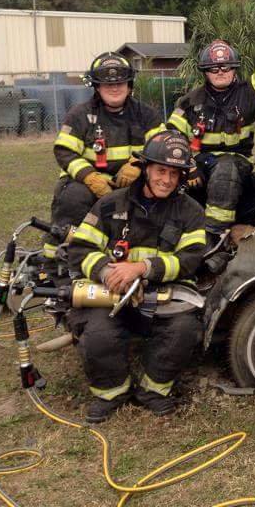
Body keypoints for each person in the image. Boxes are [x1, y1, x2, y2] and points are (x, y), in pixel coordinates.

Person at [67, 131, 207, 423]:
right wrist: (107, 272)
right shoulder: (110, 205)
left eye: (174, 174)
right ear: (146, 169)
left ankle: (153, 391)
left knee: (183, 330)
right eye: (160, 171)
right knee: (97, 334)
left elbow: (190, 259)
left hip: (163, 295)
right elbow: (81, 249)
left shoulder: (191, 212)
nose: (166, 180)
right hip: (112, 294)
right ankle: (111, 392)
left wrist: (142, 269)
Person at [46, 52, 162, 271]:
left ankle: (135, 257)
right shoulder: (79, 115)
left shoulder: (147, 115)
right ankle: (57, 260)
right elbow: (64, 151)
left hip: (131, 183)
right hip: (87, 182)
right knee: (73, 197)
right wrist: (89, 177)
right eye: (107, 84)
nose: (114, 88)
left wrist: (138, 164)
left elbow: (161, 146)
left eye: (120, 82)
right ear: (96, 87)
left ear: (129, 85)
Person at [168, 40, 255, 239]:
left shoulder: (249, 92)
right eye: (213, 67)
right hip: (200, 161)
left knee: (226, 168)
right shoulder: (189, 101)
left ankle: (214, 234)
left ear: (234, 68)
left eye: (225, 66)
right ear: (205, 71)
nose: (220, 71)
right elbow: (171, 136)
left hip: (237, 160)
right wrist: (188, 165)